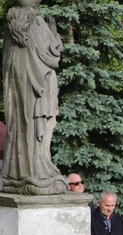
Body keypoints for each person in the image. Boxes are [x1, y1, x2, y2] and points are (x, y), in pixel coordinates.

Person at [2, 0, 66, 195]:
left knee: (22, 127)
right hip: (37, 90)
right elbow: (50, 56)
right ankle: (37, 170)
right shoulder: (35, 22)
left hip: (19, 93)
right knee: (39, 129)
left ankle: (18, 173)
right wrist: (55, 38)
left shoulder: (12, 28)